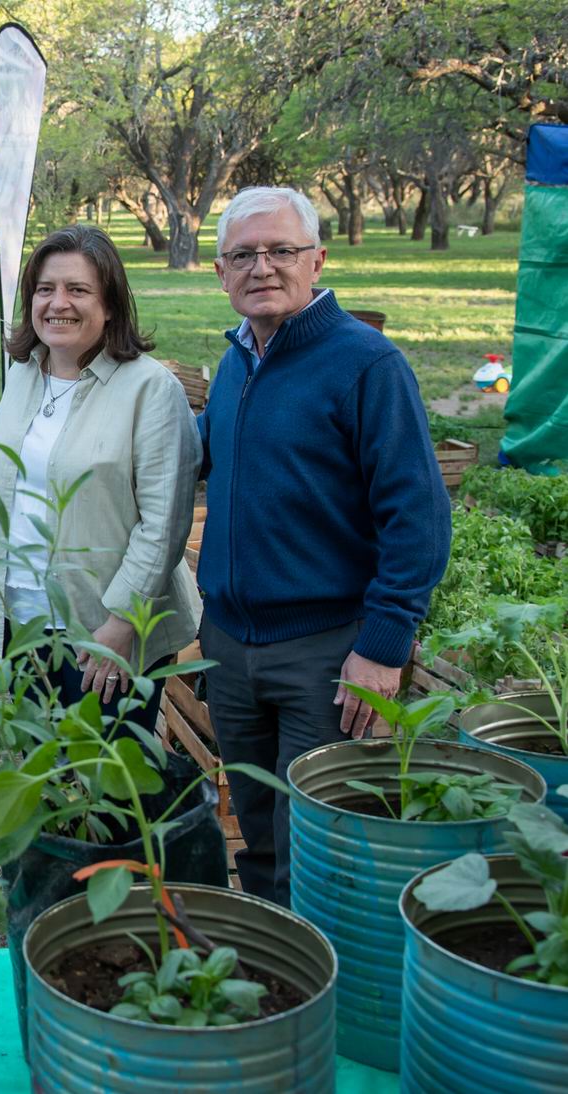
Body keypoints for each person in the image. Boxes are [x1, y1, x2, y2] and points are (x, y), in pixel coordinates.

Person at [197, 186, 451, 906]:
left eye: (281, 250)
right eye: (243, 254)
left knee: (319, 841)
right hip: (235, 646)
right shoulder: (236, 364)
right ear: (221, 273)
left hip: (327, 652)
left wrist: (384, 643)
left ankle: (326, 996)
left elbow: (419, 515)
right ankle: (275, 984)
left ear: (318, 260)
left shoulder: (365, 364)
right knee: (260, 834)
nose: (263, 267)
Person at [0, 224, 201, 734]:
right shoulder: (24, 374)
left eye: (78, 289)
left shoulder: (150, 388)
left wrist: (121, 625)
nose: (58, 303)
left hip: (104, 629)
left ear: (110, 305)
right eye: (44, 289)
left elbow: (164, 523)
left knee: (110, 798)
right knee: (46, 784)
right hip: (26, 622)